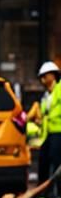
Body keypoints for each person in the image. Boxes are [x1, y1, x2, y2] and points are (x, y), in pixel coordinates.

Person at [28, 60, 61, 189]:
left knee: (55, 161)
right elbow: (43, 115)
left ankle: (57, 192)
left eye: (45, 75)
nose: (42, 79)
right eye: (41, 76)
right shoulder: (46, 96)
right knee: (44, 161)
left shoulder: (59, 90)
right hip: (48, 134)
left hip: (59, 132)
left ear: (53, 75)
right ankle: (43, 191)